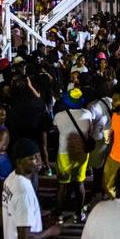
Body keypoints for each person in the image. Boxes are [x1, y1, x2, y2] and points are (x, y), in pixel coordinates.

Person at [53, 88, 94, 216]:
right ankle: (78, 213)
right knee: (79, 183)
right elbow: (89, 132)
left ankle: (59, 214)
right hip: (82, 153)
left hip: (64, 152)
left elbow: (55, 131)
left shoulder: (59, 116)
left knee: (62, 185)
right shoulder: (87, 114)